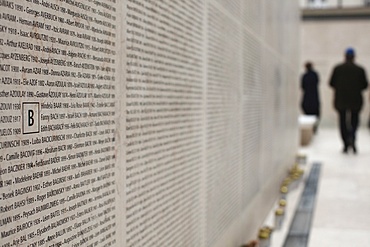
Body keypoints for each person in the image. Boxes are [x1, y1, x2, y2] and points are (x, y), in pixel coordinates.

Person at [329, 47, 368, 153]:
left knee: (342, 121)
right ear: (354, 57)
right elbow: (365, 85)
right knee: (354, 121)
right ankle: (352, 138)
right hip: (356, 100)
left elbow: (331, 83)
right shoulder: (360, 70)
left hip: (341, 100)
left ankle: (346, 143)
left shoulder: (338, 69)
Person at [301, 62, 320, 133]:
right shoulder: (315, 75)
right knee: (315, 113)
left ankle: (310, 128)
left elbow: (302, 86)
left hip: (307, 97)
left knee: (307, 113)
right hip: (314, 97)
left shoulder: (304, 76)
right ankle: (314, 128)